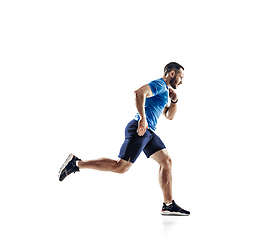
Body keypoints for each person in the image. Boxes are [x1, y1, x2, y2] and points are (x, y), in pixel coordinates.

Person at [58, 62, 190, 216]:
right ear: (172, 74)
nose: (181, 81)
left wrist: (174, 101)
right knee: (121, 167)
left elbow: (169, 116)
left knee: (166, 161)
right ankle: (76, 163)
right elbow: (138, 93)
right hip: (140, 129)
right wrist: (142, 118)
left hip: (149, 133)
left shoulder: (165, 91)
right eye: (181, 77)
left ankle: (168, 204)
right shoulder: (160, 84)